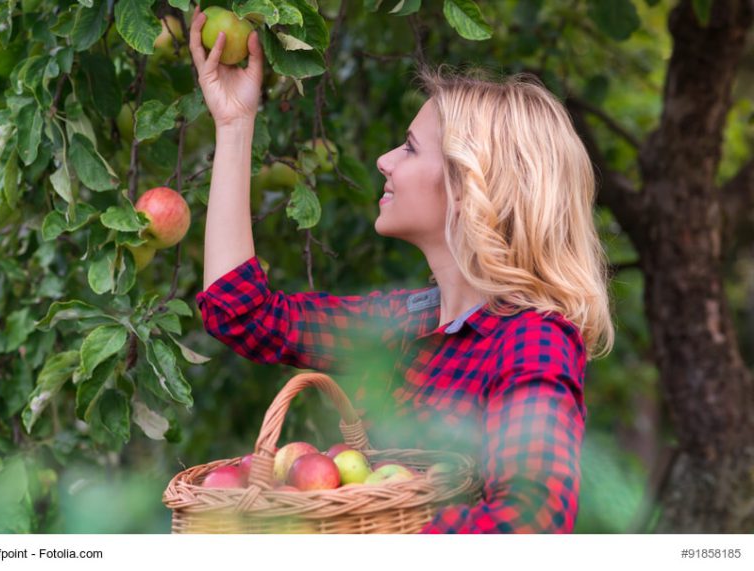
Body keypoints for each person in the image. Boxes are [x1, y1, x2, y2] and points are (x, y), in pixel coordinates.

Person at [188, 7, 615, 533]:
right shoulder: (405, 322)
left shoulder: (533, 341)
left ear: (471, 184)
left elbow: (529, 525)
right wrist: (234, 124)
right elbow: (242, 312)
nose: (385, 160)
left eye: (410, 148)